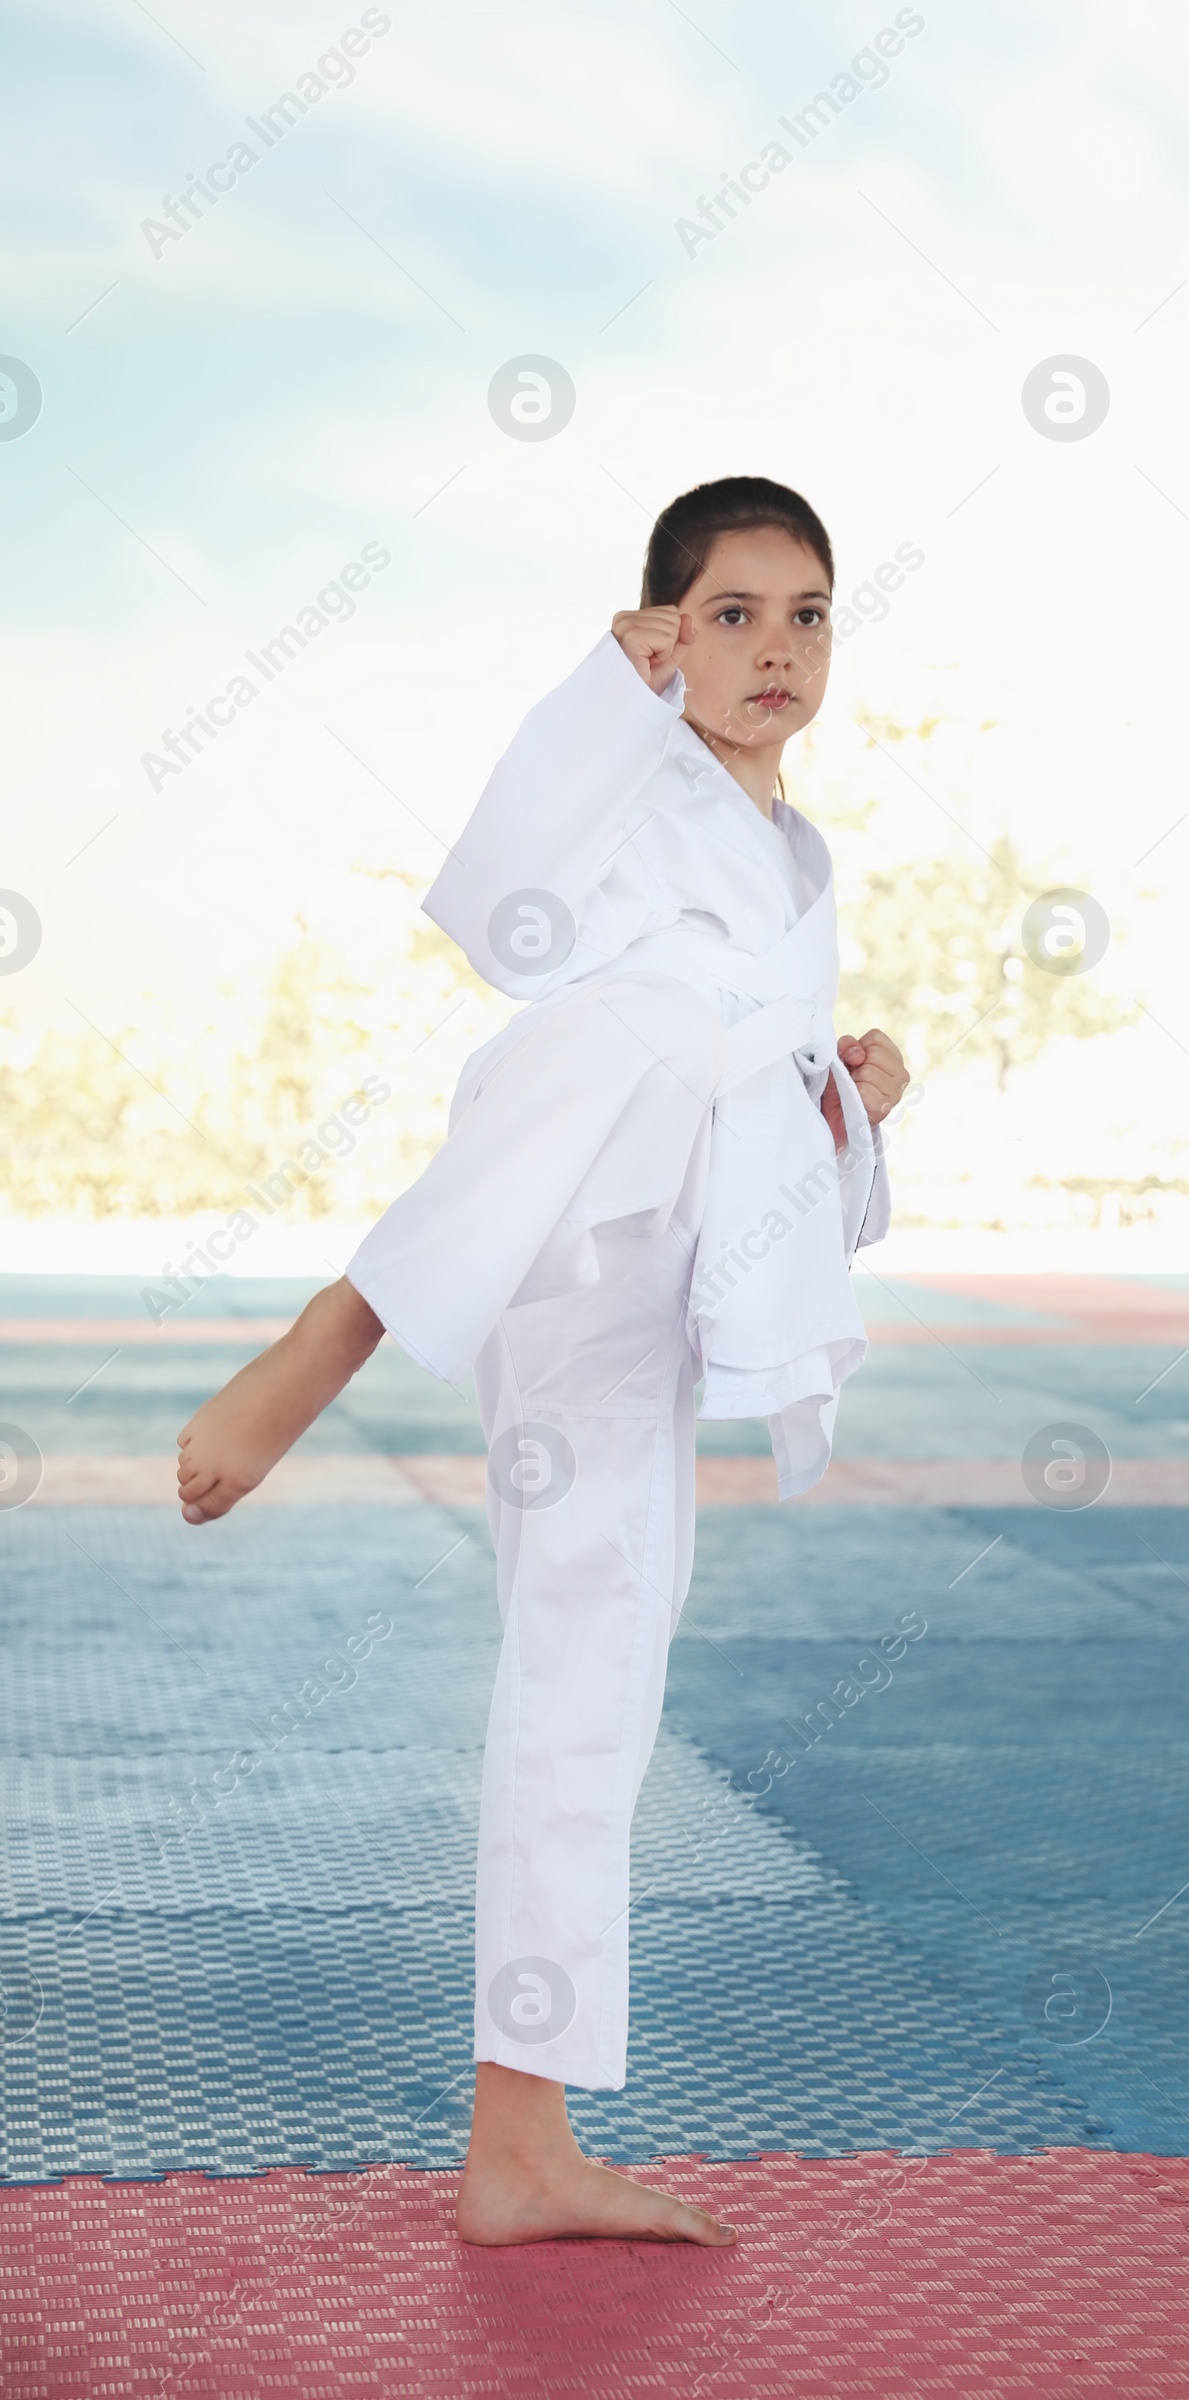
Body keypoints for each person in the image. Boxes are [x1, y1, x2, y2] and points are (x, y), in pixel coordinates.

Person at [173, 476, 910, 2247]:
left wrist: (846, 1107)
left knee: (602, 1672)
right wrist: (609, 692)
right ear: (660, 630)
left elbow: (758, 1105)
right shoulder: (639, 783)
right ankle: (331, 1330)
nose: (776, 649)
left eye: (808, 614)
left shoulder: (793, 855)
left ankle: (522, 2138)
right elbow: (504, 896)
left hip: (658, 1249)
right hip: (568, 1227)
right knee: (587, 1671)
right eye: (731, 613)